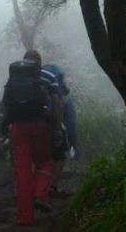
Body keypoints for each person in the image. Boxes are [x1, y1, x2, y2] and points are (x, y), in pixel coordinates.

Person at [1, 49, 64, 226]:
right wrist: (58, 128)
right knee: (45, 162)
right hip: (40, 125)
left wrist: (6, 128)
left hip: (18, 127)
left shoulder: (14, 77)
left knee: (22, 171)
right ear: (39, 63)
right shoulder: (48, 75)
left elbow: (6, 104)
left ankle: (24, 217)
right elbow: (58, 102)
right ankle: (39, 194)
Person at [42, 64, 79, 197]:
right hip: (55, 131)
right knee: (59, 158)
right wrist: (74, 144)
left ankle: (38, 187)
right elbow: (70, 124)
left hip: (36, 131)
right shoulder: (64, 98)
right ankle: (52, 186)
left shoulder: (37, 89)